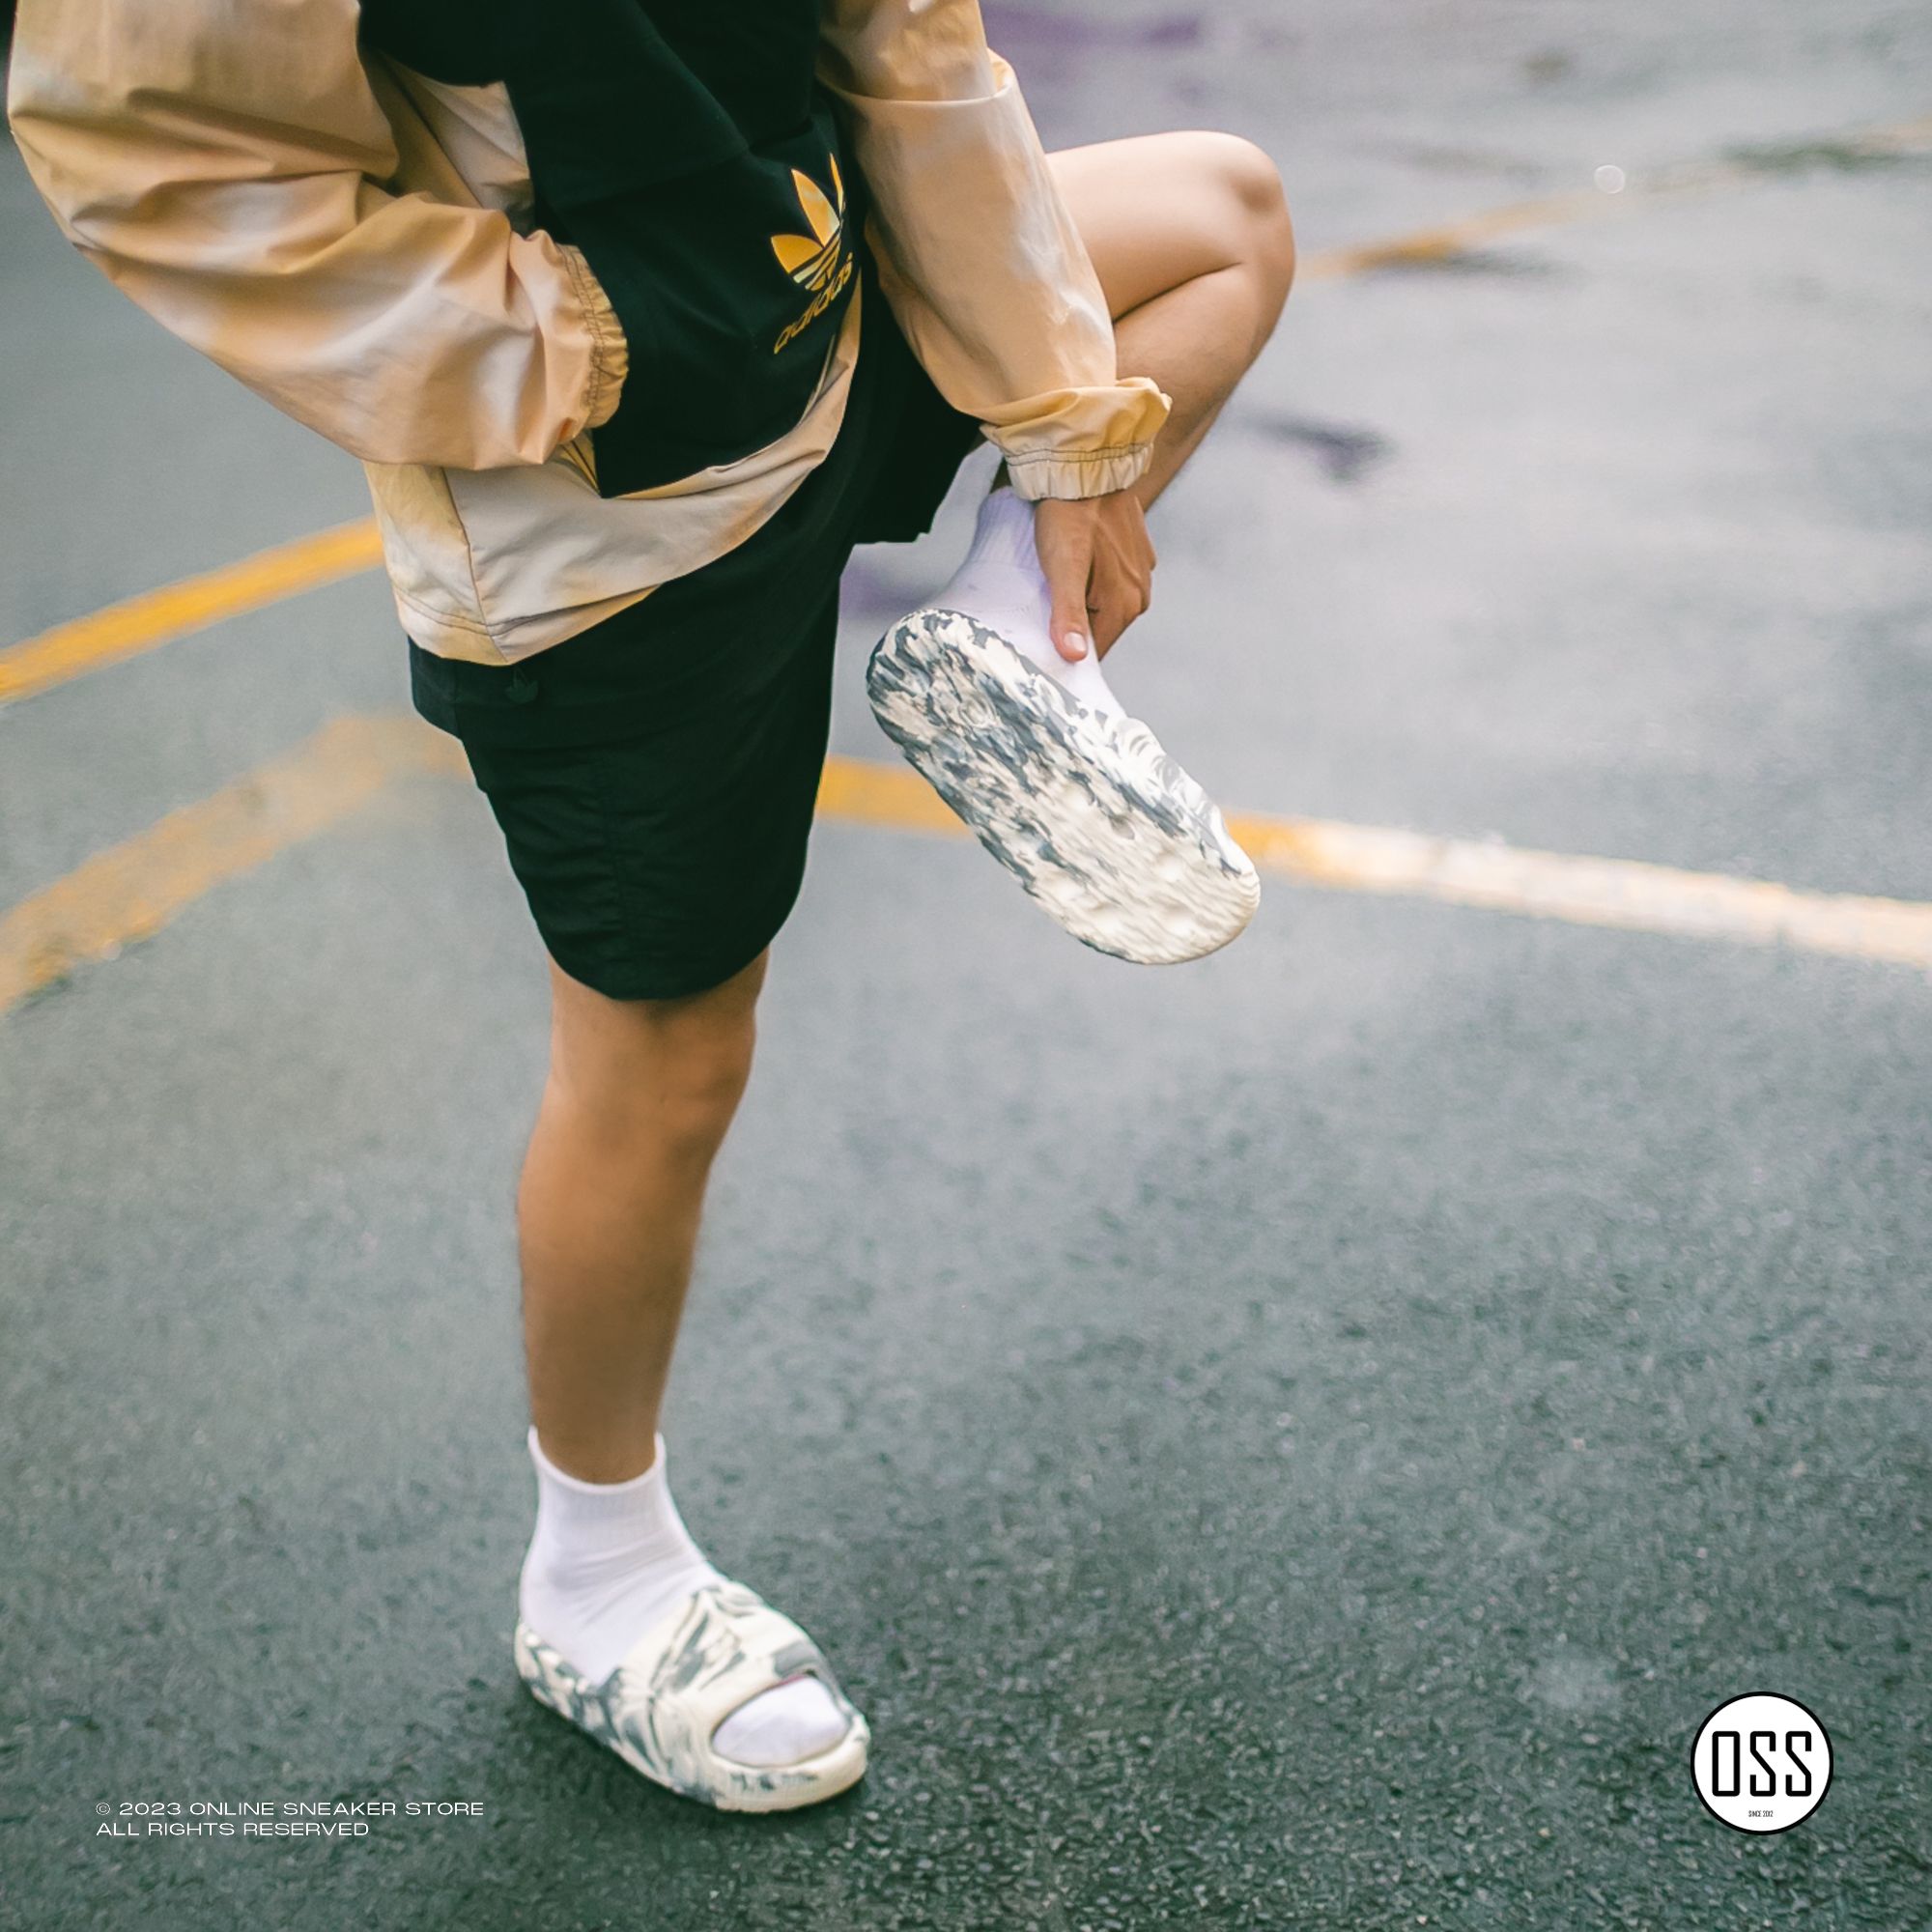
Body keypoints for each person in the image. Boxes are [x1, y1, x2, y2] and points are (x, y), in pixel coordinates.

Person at [8, 0, 1294, 1812]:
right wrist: (593, 344)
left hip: (830, 310)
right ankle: (595, 1580)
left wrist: (1069, 441)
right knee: (669, 1062)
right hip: (607, 524)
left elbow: (903, 42)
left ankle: (1012, 637)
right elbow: (152, 155)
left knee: (1222, 220)